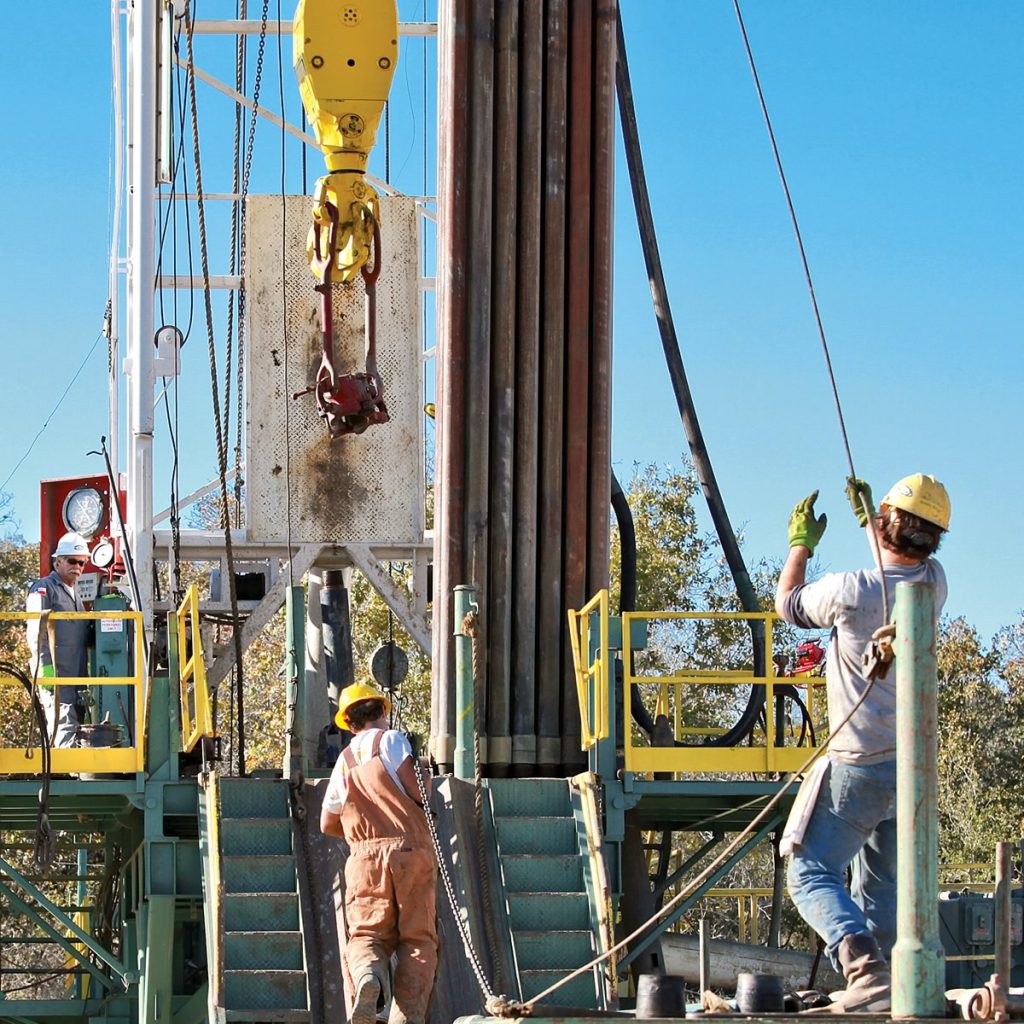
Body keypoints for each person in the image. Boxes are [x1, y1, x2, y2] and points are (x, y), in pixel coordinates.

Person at [775, 473, 950, 1013]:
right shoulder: (935, 581)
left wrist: (800, 546)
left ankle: (864, 968)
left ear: (886, 525)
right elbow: (899, 561)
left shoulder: (850, 590)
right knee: (879, 891)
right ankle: (888, 992)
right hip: (912, 768)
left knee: (808, 872)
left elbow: (789, 604)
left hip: (859, 764)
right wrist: (871, 519)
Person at [320, 682, 438, 1024]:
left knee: (366, 934)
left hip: (362, 859)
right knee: (417, 939)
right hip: (409, 850)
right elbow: (419, 793)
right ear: (382, 711)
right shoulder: (392, 740)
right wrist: (426, 779)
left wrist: (361, 840)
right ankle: (406, 1018)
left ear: (349, 723)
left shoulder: (343, 762)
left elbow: (327, 822)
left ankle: (369, 976)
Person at [26, 532, 94, 748]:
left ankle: (72, 769)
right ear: (58, 562)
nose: (78, 567)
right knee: (62, 719)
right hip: (55, 671)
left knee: (76, 721)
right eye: (72, 561)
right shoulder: (44, 588)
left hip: (76, 673)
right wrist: (44, 666)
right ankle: (65, 773)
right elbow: (36, 630)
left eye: (82, 563)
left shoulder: (76, 596)